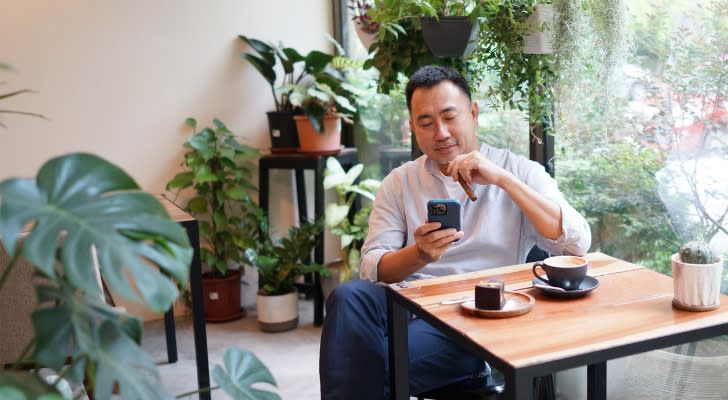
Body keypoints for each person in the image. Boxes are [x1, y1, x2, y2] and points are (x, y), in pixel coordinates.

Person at [319, 65, 591, 399]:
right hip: (409, 305)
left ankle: (472, 366)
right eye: (426, 122)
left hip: (476, 315)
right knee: (349, 297)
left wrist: (503, 180)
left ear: (473, 114)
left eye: (450, 117)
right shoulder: (400, 182)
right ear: (413, 128)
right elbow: (373, 267)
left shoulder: (518, 170)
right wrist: (418, 254)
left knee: (358, 365)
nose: (441, 133)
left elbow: (578, 241)